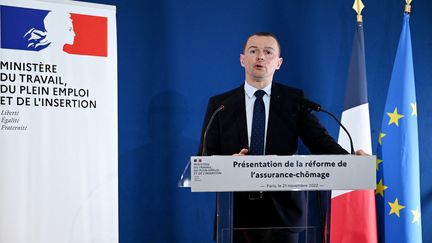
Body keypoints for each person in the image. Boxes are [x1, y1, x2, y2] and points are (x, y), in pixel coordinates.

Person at [198, 32, 352, 243]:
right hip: (236, 215)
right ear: (242, 59)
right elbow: (204, 159)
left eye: (267, 52)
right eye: (253, 51)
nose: (260, 57)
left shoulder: (294, 101)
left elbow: (320, 142)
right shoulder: (221, 105)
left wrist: (352, 161)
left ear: (278, 63)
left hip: (284, 214)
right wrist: (228, 164)